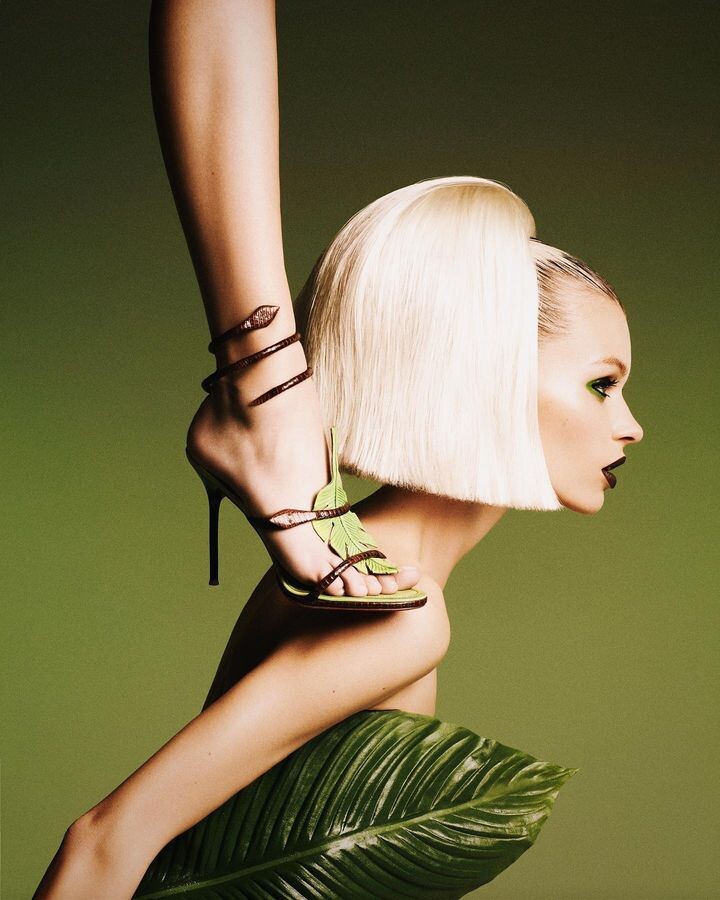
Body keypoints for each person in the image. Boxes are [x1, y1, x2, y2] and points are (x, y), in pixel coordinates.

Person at [32, 5, 644, 899]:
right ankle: (260, 398)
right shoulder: (396, 609)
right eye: (601, 384)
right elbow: (104, 844)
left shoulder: (376, 568)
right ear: (483, 374)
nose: (632, 426)